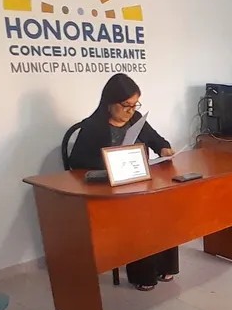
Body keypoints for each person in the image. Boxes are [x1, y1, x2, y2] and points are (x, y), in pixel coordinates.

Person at [68, 74, 179, 291]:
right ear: (110, 102)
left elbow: (157, 140)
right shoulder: (93, 126)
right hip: (109, 188)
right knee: (140, 212)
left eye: (135, 104)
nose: (131, 110)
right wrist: (110, 162)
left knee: (165, 204)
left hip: (137, 180)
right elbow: (77, 162)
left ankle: (164, 266)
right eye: (126, 105)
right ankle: (143, 274)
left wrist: (164, 148)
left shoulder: (135, 119)